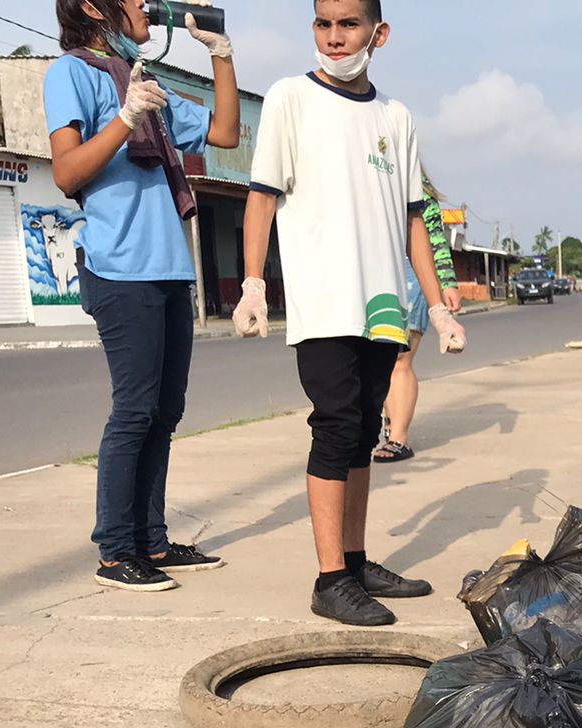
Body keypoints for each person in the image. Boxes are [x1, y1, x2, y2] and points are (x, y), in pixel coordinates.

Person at [233, 0, 467, 627]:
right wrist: (254, 283)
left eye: (349, 24)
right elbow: (261, 196)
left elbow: (416, 216)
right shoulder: (290, 98)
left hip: (384, 304)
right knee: (336, 430)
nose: (334, 38)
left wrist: (441, 303)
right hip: (325, 302)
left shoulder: (396, 116)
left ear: (378, 33)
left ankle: (357, 562)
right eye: (323, 23)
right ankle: (329, 578)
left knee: (365, 430)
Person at [46, 0, 239, 592]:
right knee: (133, 411)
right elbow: (66, 172)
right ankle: (114, 550)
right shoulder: (72, 72)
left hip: (168, 267)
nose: (148, 7)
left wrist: (220, 53)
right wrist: (124, 120)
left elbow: (225, 133)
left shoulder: (142, 79)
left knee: (165, 411)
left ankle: (151, 541)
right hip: (119, 267)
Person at [373, 176, 461, 464]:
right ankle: (389, 426)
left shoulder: (416, 185)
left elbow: (436, 238)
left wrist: (446, 283)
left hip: (415, 274)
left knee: (401, 358)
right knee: (382, 359)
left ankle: (399, 437)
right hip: (378, 273)